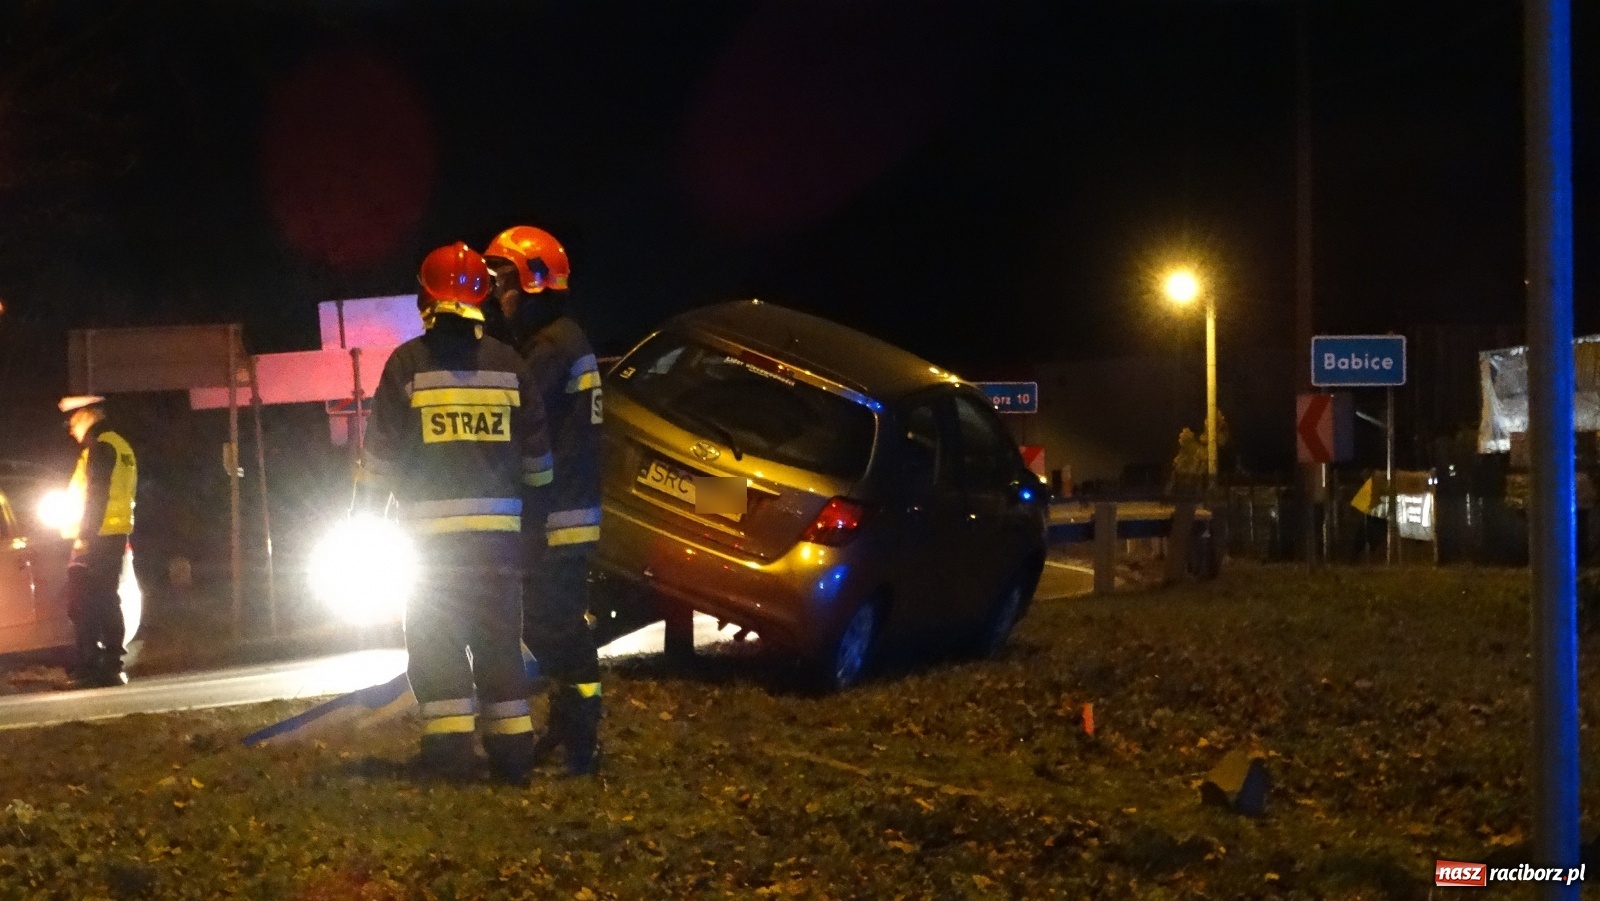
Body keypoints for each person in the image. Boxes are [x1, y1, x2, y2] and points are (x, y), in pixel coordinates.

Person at [359, 241, 556, 784]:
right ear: (484, 297)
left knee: (438, 648)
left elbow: (379, 459)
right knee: (499, 650)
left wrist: (367, 518)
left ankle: (449, 761)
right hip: (498, 550)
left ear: (425, 296)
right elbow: (539, 469)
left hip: (431, 551)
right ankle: (514, 760)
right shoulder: (510, 366)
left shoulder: (408, 365)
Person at [483, 225, 603, 776]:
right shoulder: (564, 338)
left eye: (504, 280)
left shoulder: (550, 347)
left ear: (533, 281)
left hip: (556, 514)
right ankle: (572, 725)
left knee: (556, 628)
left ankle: (582, 737)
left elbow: (515, 415)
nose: (497, 293)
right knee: (552, 624)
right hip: (567, 510)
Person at [58, 394, 137, 688]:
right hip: (111, 535)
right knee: (104, 598)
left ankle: (91, 665)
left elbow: (96, 496)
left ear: (87, 415)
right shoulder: (119, 444)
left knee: (84, 601)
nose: (69, 428)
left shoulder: (101, 447)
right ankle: (110, 662)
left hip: (97, 536)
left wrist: (85, 537)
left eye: (71, 420)